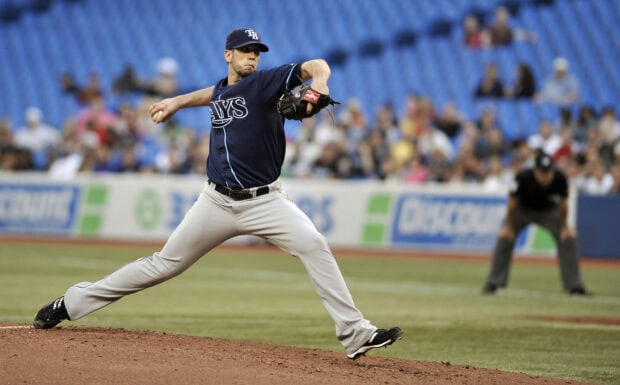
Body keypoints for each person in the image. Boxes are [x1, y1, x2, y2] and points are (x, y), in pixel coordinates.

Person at [33, 27, 402, 360]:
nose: (253, 56)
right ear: (229, 55)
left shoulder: (267, 83)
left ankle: (356, 334)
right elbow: (214, 94)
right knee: (163, 265)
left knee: (314, 244)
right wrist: (177, 101)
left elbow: (316, 65)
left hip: (266, 201)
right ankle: (73, 302)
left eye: (257, 51)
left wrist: (320, 83)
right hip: (216, 201)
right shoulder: (225, 88)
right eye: (245, 50)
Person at [482, 151, 590, 295]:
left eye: (548, 172)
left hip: (549, 212)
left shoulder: (560, 178)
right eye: (542, 173)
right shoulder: (522, 178)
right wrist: (508, 227)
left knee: (568, 238)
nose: (545, 177)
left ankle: (574, 285)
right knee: (504, 238)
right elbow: (512, 204)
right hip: (523, 210)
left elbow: (564, 206)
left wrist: (565, 227)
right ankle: (494, 282)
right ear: (535, 171)